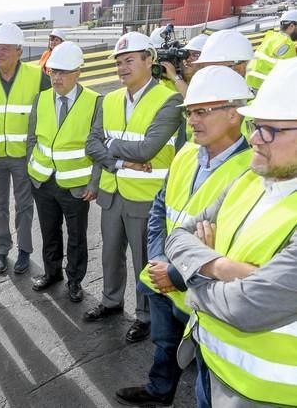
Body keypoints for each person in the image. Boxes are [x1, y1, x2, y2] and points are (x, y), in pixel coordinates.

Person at [115, 66, 253, 407]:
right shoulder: (187, 152)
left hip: (204, 291)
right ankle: (159, 391)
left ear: (234, 114)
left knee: (208, 367)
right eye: (190, 112)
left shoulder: (251, 169)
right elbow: (161, 207)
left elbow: (234, 245)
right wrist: (159, 259)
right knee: (164, 346)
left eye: (203, 111)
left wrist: (176, 274)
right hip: (166, 280)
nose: (193, 120)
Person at [166, 59, 297, 407]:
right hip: (211, 366)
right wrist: (224, 268)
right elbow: (178, 236)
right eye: (256, 125)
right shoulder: (251, 180)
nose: (254, 137)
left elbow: (245, 308)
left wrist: (192, 281)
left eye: (270, 129)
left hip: (265, 394)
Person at [84, 32, 183, 343]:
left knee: (145, 261)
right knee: (110, 255)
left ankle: (145, 316)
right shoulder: (109, 99)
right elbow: (91, 144)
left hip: (146, 197)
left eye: (129, 60)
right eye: (119, 62)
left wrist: (110, 144)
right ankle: (112, 302)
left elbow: (147, 150)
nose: (122, 68)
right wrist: (121, 162)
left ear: (148, 60)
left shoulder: (170, 100)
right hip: (113, 193)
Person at [26, 42, 102, 302]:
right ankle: (52, 273)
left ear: (78, 72)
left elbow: (100, 146)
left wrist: (94, 183)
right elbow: (31, 139)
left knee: (77, 237)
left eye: (63, 72)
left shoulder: (94, 102)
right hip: (43, 181)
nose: (56, 78)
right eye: (52, 72)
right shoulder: (41, 98)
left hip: (76, 185)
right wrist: (31, 170)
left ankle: (74, 280)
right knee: (49, 232)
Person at [0, 22, 50, 275]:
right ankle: (1, 249)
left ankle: (25, 251)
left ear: (19, 51)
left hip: (23, 157)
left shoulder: (37, 76)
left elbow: (51, 110)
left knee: (24, 205)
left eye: (5, 49)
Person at [246, 9, 297, 90]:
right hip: (265, 88)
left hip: (252, 84)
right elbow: (292, 72)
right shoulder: (287, 44)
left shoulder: (272, 38)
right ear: (292, 26)